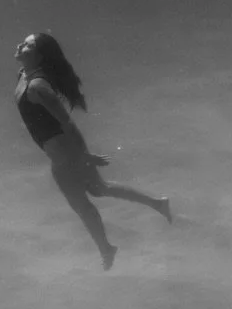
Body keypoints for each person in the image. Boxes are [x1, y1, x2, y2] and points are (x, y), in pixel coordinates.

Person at [14, 33, 171, 270]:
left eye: (28, 45)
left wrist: (83, 155)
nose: (20, 45)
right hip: (64, 153)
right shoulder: (24, 76)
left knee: (82, 203)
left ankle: (107, 248)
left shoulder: (37, 86)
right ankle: (157, 205)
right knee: (99, 189)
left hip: (66, 155)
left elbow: (66, 122)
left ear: (39, 55)